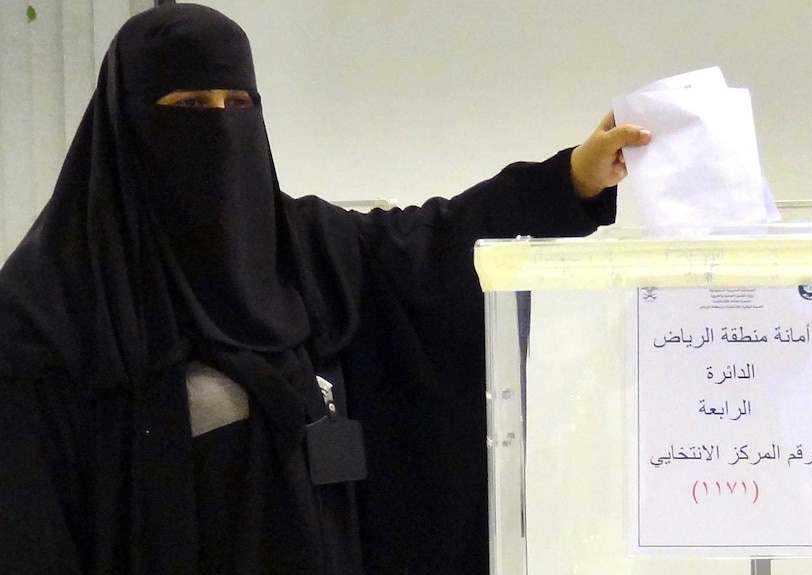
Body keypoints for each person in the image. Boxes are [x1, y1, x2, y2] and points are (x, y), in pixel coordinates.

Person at [0, 4, 649, 574]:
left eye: (240, 105)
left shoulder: (299, 246)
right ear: (127, 123)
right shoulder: (50, 310)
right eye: (191, 108)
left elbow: (436, 242)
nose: (220, 128)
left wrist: (571, 181)